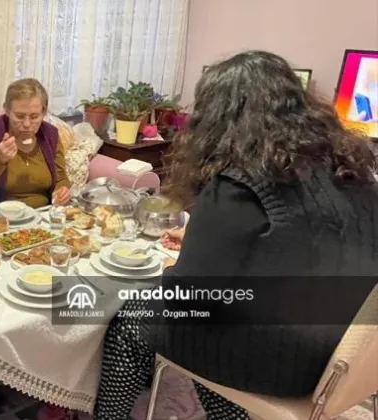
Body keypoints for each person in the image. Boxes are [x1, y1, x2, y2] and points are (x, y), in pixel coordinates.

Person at [93, 50, 378, 419]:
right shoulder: (352, 170)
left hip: (282, 363)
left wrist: (183, 265)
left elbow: (187, 296)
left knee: (131, 318)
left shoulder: (240, 183)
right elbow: (304, 252)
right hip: (341, 353)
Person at [0, 78, 72, 213]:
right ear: (7, 111)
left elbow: (61, 179)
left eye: (34, 116)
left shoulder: (50, 135)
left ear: (43, 113)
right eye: (19, 116)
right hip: (0, 220)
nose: (26, 124)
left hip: (42, 217)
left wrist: (61, 193)